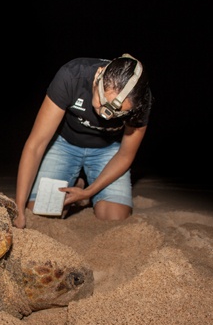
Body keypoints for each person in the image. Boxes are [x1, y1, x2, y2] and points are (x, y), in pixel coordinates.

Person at [14, 54, 153, 229]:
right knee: (41, 215)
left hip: (108, 150)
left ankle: (85, 189)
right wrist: (18, 208)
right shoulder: (72, 76)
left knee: (115, 221)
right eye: (103, 102)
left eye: (118, 113)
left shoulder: (140, 101)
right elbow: (35, 145)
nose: (105, 115)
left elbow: (125, 155)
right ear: (98, 76)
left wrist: (89, 191)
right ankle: (77, 182)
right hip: (65, 143)